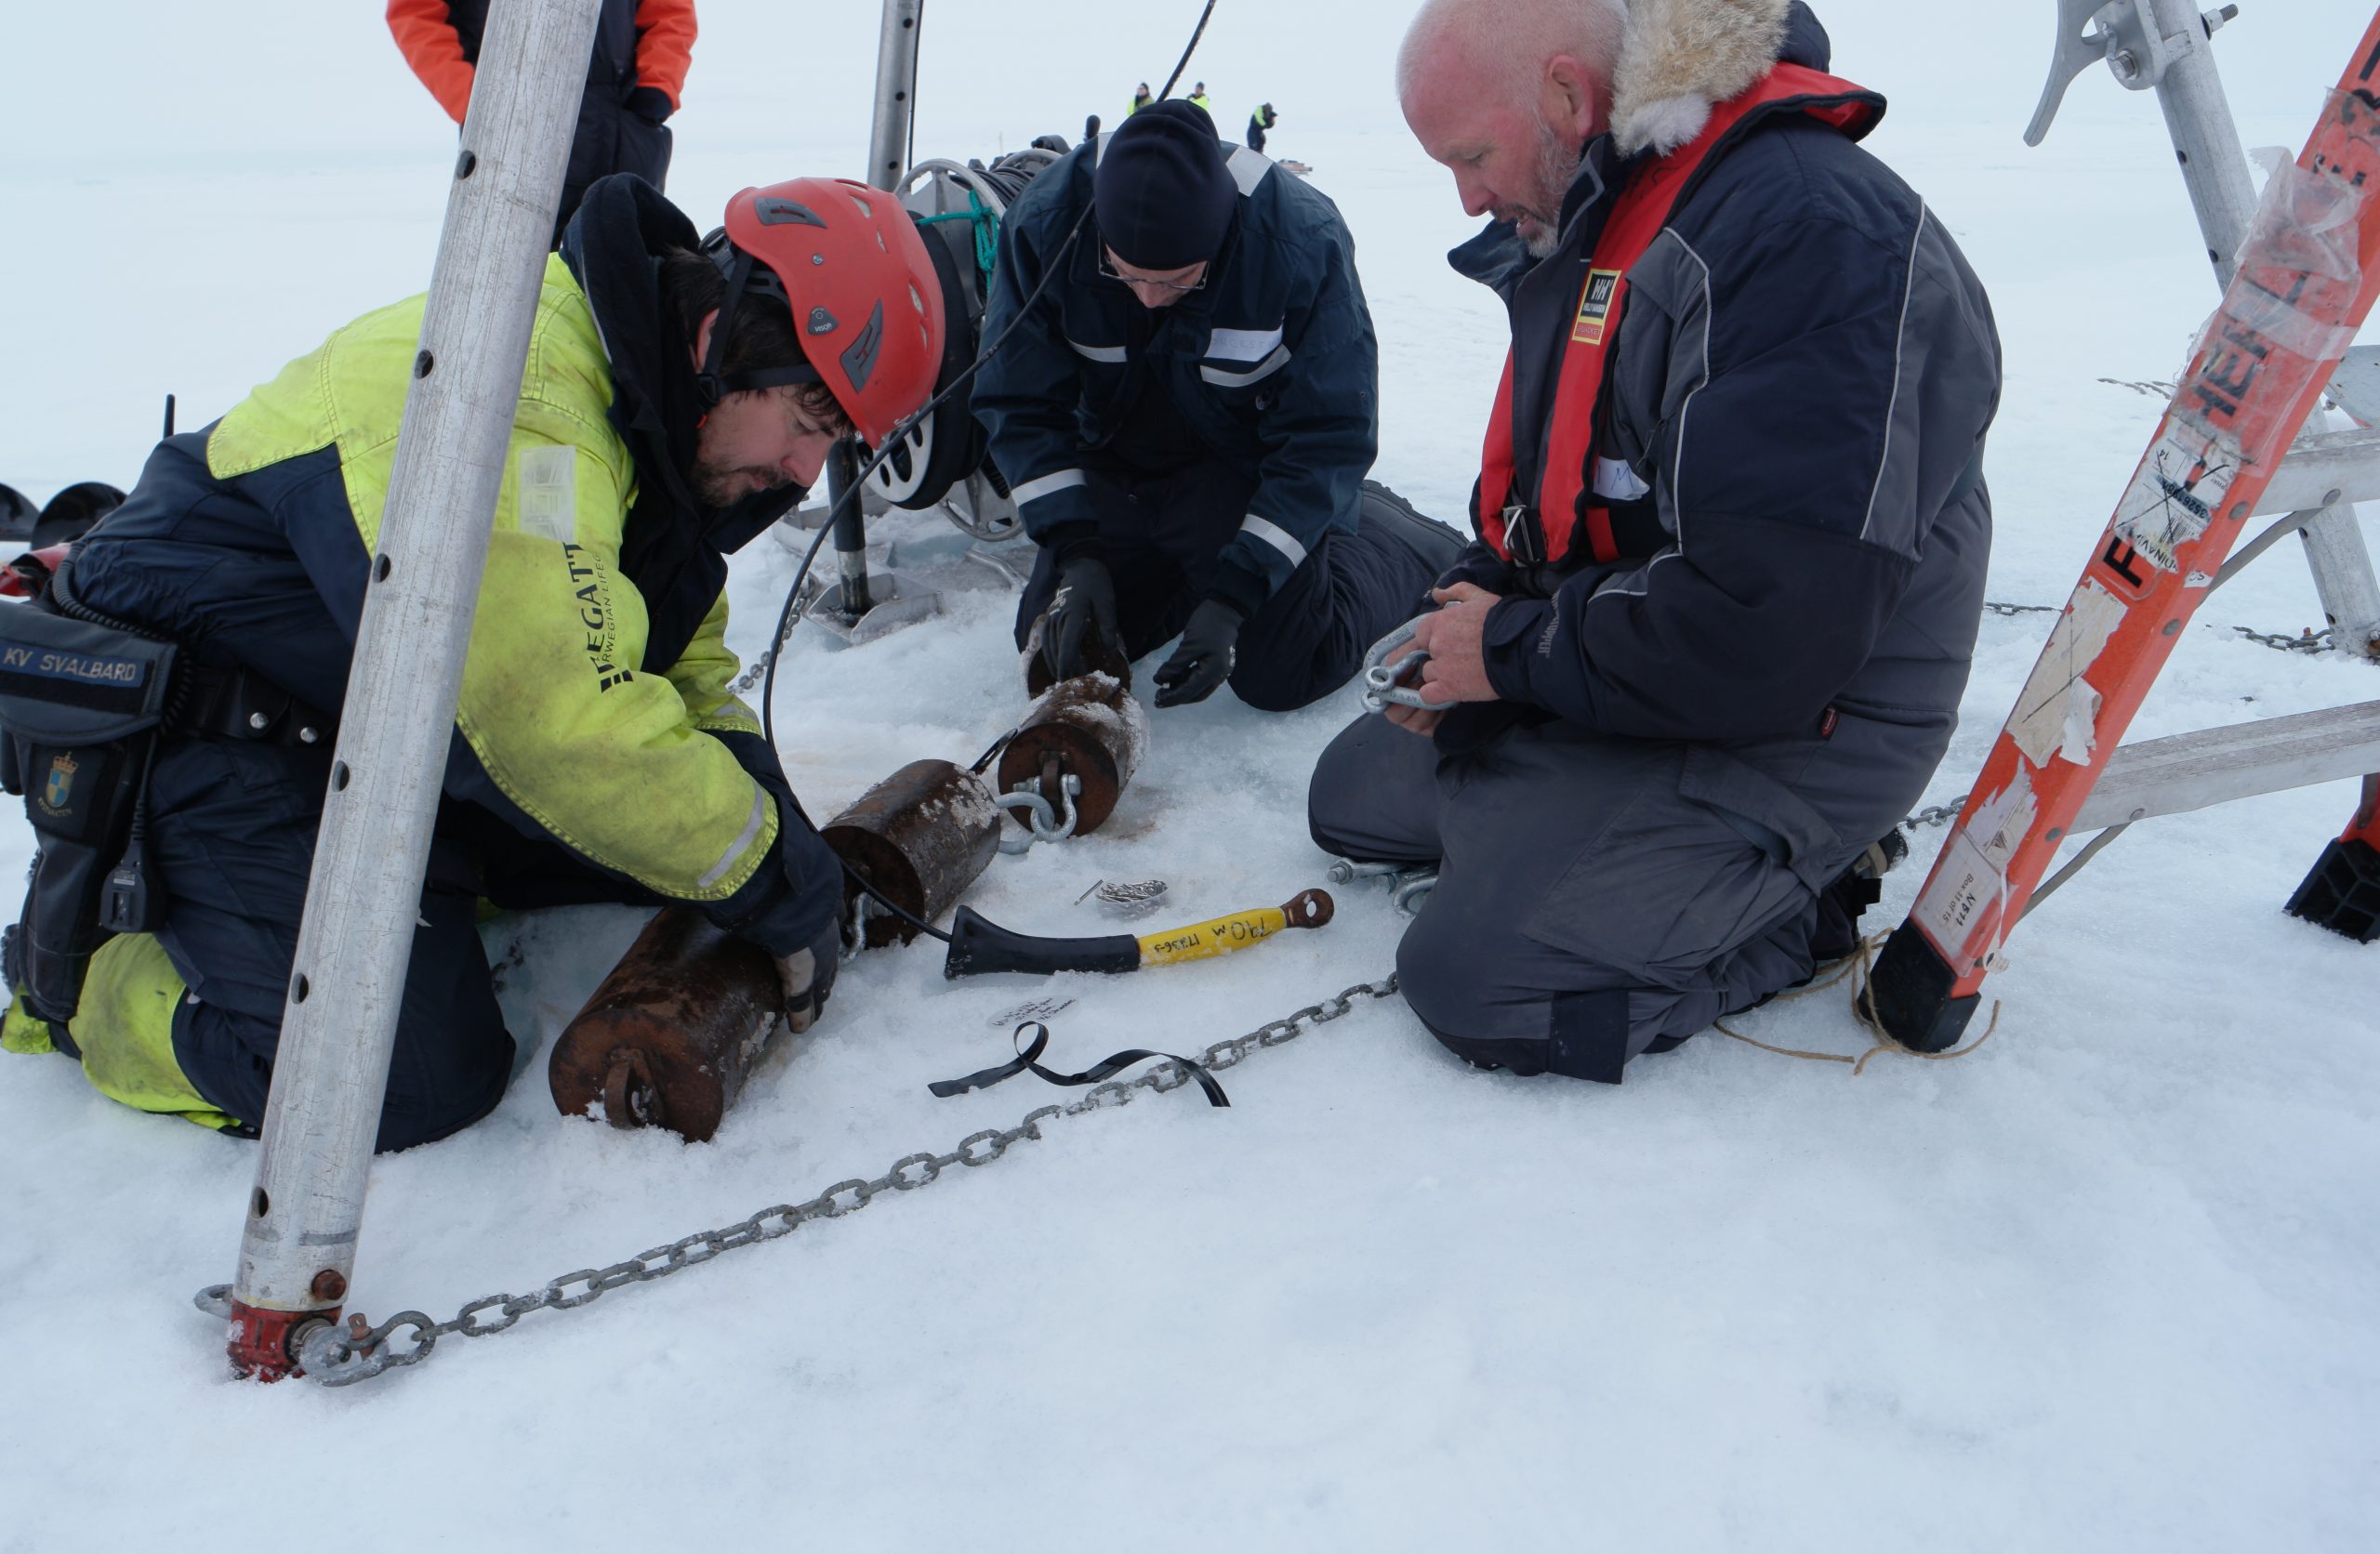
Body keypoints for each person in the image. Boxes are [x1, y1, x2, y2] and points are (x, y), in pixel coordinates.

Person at [0, 173, 945, 1149]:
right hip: (211, 725)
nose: (802, 473)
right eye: (807, 424)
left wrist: (760, 802)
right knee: (406, 1077)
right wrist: (762, 866)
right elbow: (554, 723)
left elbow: (675, 661)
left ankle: (415, 885)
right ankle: (84, 987)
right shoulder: (519, 396)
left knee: (666, 846)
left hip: (376, 721)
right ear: (725, 338)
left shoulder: (658, 424)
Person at [1307, 0, 2000, 1082]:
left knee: (1482, 984)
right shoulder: (1609, 216)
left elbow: (1767, 631)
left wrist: (1508, 655)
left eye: (1473, 156)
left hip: (1807, 714)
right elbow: (1572, 483)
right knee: (1349, 799)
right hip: (1638, 641)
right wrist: (1474, 600)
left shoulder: (1805, 235)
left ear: (1569, 97)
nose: (1469, 197)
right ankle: (1577, 842)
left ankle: (1794, 906)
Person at [972, 100, 1462, 712]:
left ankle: (1389, 539)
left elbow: (1330, 431)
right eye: (1126, 274)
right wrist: (1076, 551)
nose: (1150, 299)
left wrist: (1237, 592)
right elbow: (1018, 401)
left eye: (1179, 279)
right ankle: (1183, 572)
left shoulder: (1299, 240)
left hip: (1238, 474)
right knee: (1057, 649)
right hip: (1115, 468)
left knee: (1285, 671)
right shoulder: (1046, 225)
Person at [388, 0, 696, 246]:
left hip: (625, 133)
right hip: (508, 138)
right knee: (509, 289)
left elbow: (671, 11)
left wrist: (657, 88)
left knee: (631, 278)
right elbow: (414, 13)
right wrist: (476, 104)